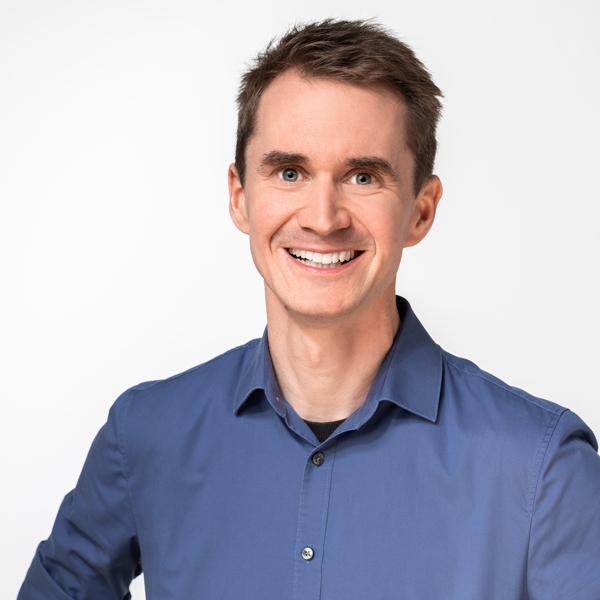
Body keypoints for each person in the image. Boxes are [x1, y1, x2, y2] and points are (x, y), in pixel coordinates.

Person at [18, 19, 600, 600]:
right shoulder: (145, 436)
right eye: (290, 172)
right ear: (240, 197)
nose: (323, 219)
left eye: (363, 176)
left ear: (421, 211)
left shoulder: (542, 468)